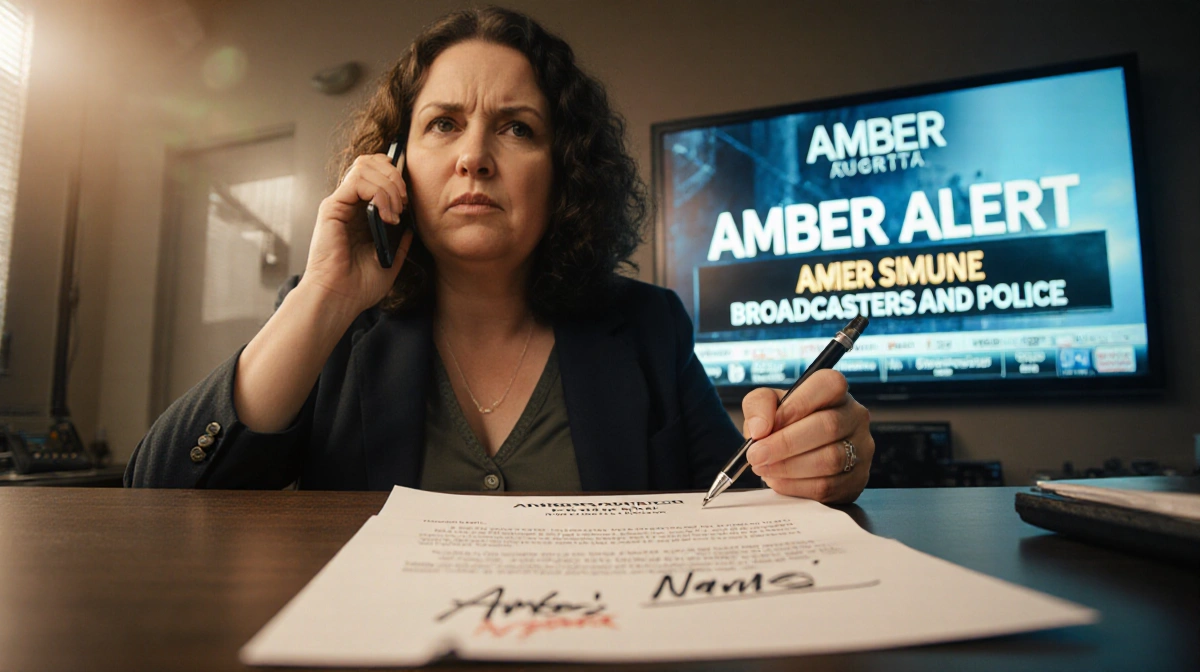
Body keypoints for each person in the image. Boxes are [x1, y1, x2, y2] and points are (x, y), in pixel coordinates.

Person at [125, 6, 874, 503]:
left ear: (565, 171)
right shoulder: (334, 321)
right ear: (396, 160)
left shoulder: (648, 327)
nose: (474, 157)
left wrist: (822, 462)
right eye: (443, 124)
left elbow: (750, 503)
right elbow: (155, 496)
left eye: (517, 128)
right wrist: (321, 297)